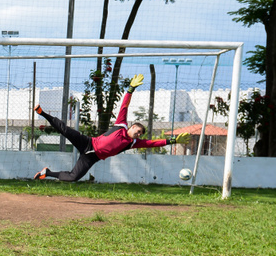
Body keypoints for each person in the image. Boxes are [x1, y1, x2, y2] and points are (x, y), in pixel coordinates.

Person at [33, 73, 190, 181]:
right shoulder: (121, 125)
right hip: (88, 143)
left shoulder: (133, 143)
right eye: (138, 130)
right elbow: (125, 105)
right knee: (64, 130)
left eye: (141, 133)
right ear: (132, 126)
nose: (139, 134)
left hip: (91, 157)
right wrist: (130, 89)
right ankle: (43, 113)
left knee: (73, 177)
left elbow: (154, 143)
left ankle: (47, 173)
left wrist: (173, 140)